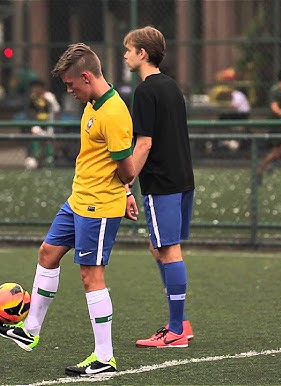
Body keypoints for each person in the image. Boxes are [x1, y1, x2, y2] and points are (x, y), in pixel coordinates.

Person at [0, 43, 135, 377]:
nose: (69, 91)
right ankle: (30, 331)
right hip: (78, 199)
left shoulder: (114, 113)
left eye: (72, 85)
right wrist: (126, 192)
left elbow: (127, 170)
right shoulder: (92, 103)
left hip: (98, 206)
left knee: (90, 276)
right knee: (48, 253)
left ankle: (104, 358)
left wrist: (126, 190)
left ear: (87, 76)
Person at [123, 26, 195, 348]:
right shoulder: (171, 86)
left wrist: (125, 181)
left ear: (142, 54)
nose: (125, 54)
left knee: (168, 249)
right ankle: (180, 322)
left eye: (129, 49)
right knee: (159, 247)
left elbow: (144, 144)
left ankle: (177, 329)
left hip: (162, 183)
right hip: (182, 180)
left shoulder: (145, 91)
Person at [26, 79, 61, 167]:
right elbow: (30, 110)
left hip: (48, 123)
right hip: (38, 123)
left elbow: (57, 109)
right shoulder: (33, 98)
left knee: (48, 140)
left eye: (37, 87)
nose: (36, 89)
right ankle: (36, 157)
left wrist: (54, 122)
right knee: (36, 136)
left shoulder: (49, 96)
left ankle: (49, 159)